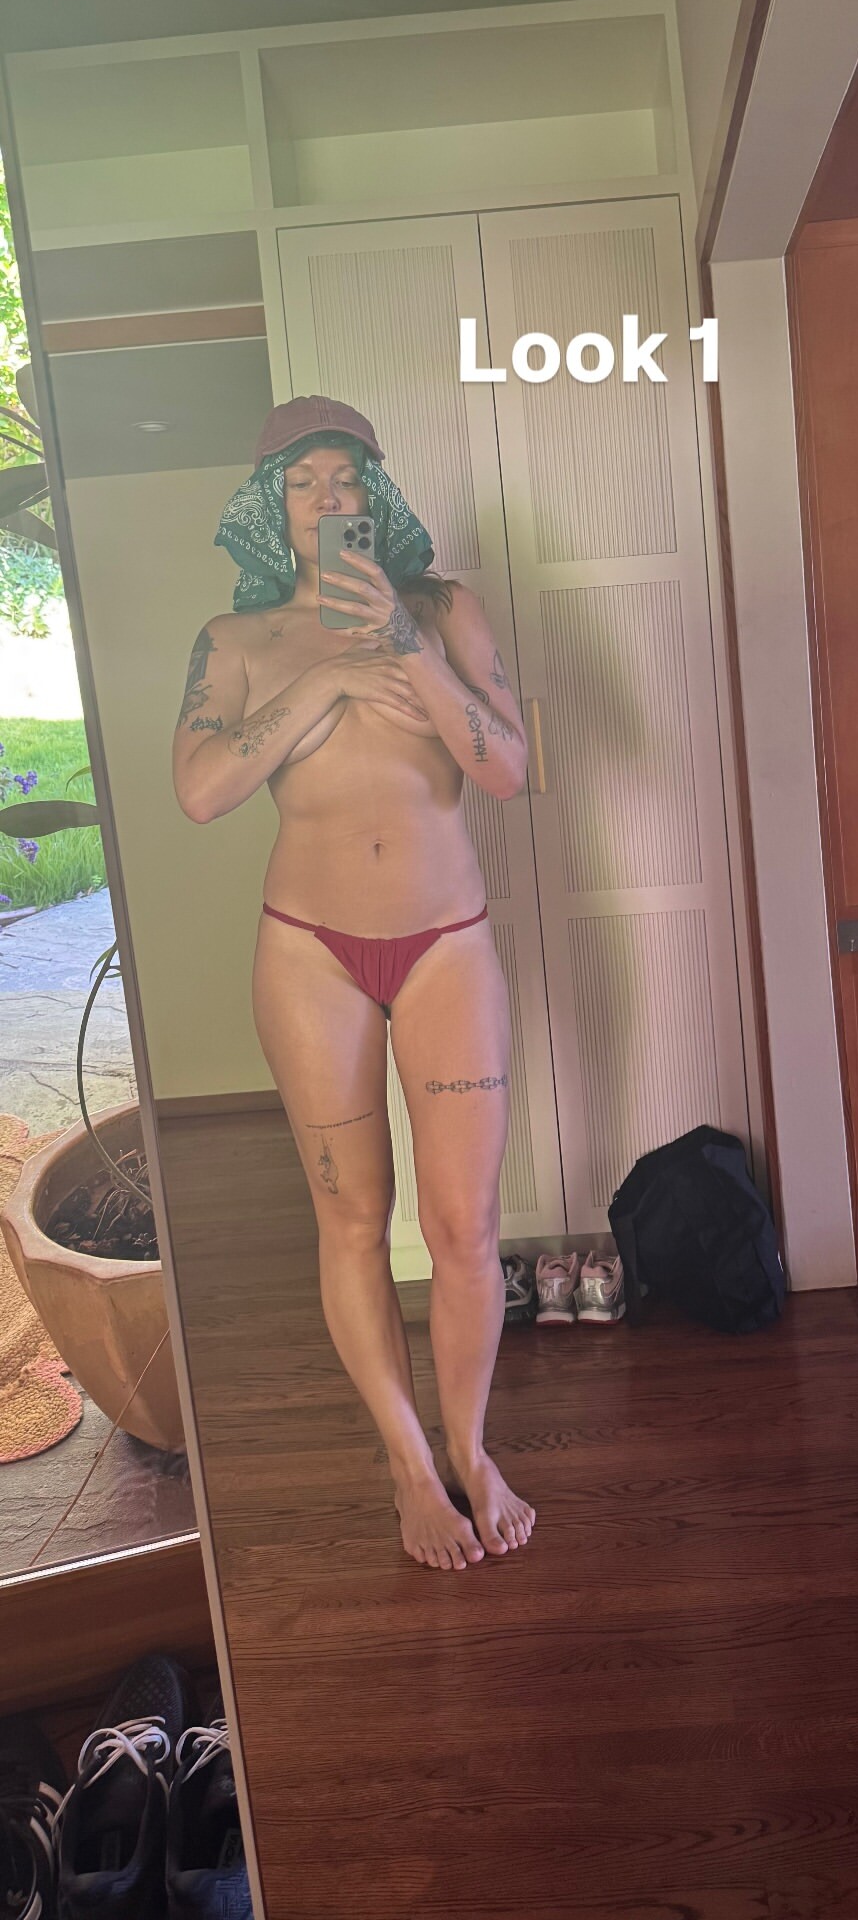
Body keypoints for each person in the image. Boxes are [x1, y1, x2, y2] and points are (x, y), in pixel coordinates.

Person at [172, 395, 535, 1572]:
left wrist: (405, 651)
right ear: (271, 505)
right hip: (311, 951)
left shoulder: (444, 609)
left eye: (346, 475)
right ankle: (407, 1462)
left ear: (374, 492)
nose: (328, 495)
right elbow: (201, 790)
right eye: (302, 481)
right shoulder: (238, 638)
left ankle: (471, 1446)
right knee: (353, 1219)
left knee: (465, 1223)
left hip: (446, 943)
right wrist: (327, 681)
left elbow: (508, 769)